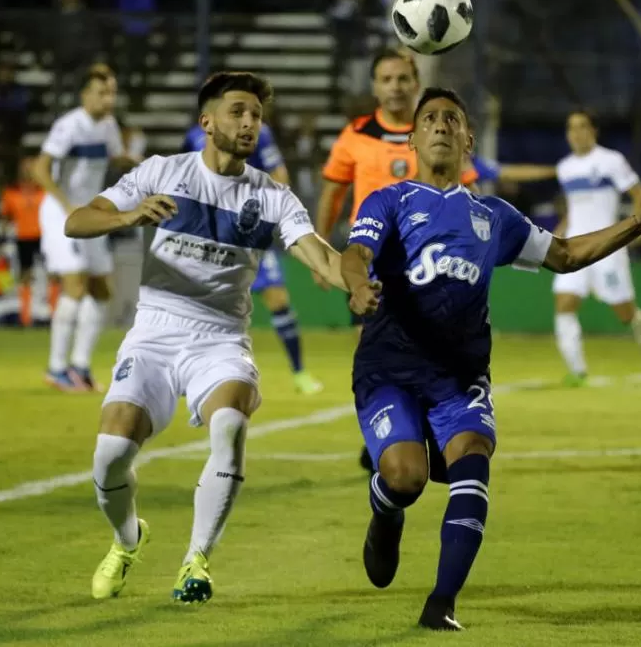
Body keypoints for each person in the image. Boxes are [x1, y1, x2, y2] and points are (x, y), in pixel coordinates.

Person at [340, 87, 641, 631]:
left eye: (452, 118)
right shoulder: (389, 200)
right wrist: (357, 288)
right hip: (391, 367)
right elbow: (356, 254)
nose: (441, 125)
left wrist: (637, 223)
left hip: (460, 375)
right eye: (429, 118)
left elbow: (566, 256)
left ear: (468, 138)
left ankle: (441, 604)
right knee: (406, 477)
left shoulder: (494, 216)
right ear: (413, 137)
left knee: (472, 456)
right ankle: (385, 510)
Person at [65, 72, 346, 604]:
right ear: (207, 122)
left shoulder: (272, 197)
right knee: (110, 455)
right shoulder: (163, 172)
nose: (249, 123)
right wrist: (128, 215)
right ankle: (128, 540)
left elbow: (321, 257)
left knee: (231, 425)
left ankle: (196, 561)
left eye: (256, 116)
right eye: (238, 112)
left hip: (220, 340)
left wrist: (356, 282)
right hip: (153, 333)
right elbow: (77, 221)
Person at [316, 48, 556, 473]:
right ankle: (385, 431)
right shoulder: (354, 135)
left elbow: (467, 190)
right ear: (374, 86)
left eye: (402, 79)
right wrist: (326, 256)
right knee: (376, 346)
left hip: (434, 263)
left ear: (415, 82)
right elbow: (334, 192)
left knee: (437, 346)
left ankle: (429, 425)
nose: (394, 87)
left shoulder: (438, 133)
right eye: (386, 79)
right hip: (370, 263)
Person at [181, 118, 324, 394]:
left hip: (251, 233)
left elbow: (279, 174)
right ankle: (195, 373)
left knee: (278, 298)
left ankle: (299, 372)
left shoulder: (258, 131)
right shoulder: (194, 137)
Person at [30, 64, 138, 391]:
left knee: (102, 289)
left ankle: (80, 367)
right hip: (60, 211)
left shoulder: (107, 126)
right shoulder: (69, 126)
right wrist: (64, 205)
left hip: (88, 211)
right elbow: (40, 168)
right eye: (102, 92)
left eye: (112, 92)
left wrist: (151, 166)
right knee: (75, 283)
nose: (109, 99)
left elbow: (118, 159)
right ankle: (56, 368)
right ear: (85, 95)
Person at [552, 111, 641, 390]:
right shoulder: (564, 167)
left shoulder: (611, 161)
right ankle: (578, 371)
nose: (576, 133)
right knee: (564, 304)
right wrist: (558, 232)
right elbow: (575, 209)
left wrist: (638, 228)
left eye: (582, 127)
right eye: (571, 128)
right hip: (574, 248)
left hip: (607, 247)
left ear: (594, 130)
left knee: (625, 314)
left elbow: (640, 195)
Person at [0, 157, 45, 327]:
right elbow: (5, 218)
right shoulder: (11, 192)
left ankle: (54, 315)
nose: (27, 171)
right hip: (23, 237)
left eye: (30, 168)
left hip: (44, 236)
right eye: (25, 168)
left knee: (53, 275)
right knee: (25, 276)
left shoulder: (44, 190)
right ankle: (25, 318)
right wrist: (1, 241)